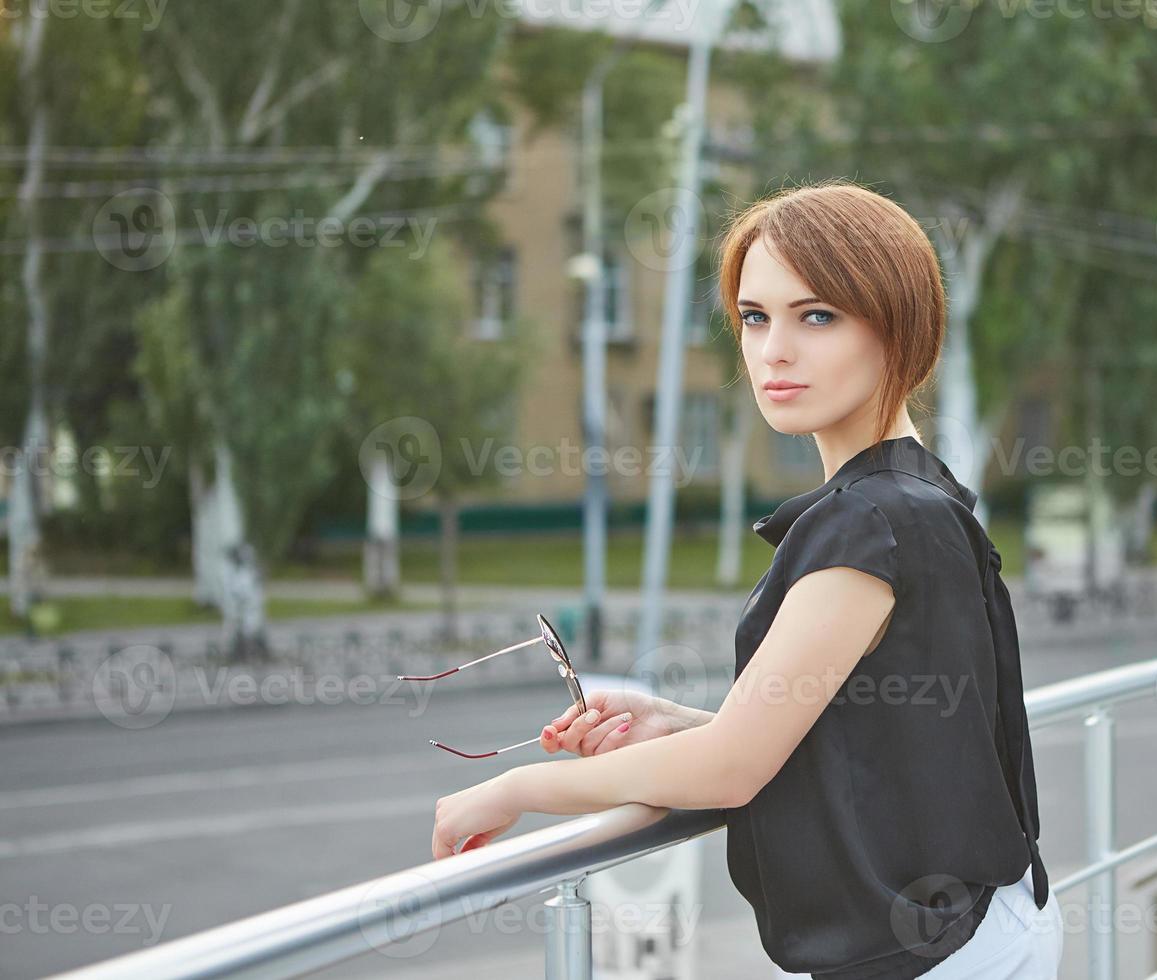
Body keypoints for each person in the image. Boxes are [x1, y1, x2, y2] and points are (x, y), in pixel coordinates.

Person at [429, 179, 1062, 978]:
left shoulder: (868, 521)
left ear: (898, 328)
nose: (774, 350)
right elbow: (860, 731)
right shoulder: (920, 496)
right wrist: (672, 720)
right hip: (977, 926)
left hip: (934, 954)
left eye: (817, 315)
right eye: (755, 317)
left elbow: (736, 768)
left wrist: (517, 788)